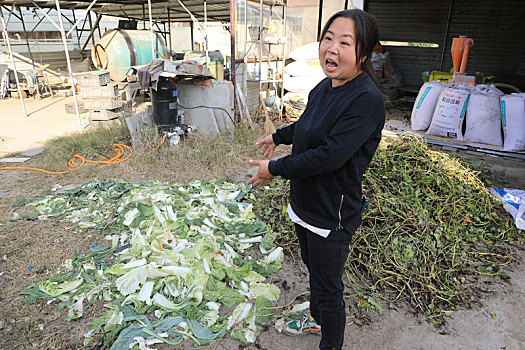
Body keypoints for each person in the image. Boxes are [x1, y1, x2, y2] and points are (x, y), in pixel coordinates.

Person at [247, 8, 385, 350]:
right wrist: (278, 137)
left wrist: (274, 168)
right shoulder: (325, 87)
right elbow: (309, 125)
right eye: (327, 38)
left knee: (328, 287)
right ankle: (318, 319)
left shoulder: (367, 101)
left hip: (332, 214)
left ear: (363, 53)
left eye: (344, 42)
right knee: (315, 271)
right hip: (305, 203)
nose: (331, 49)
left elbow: (329, 156)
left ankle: (330, 341)